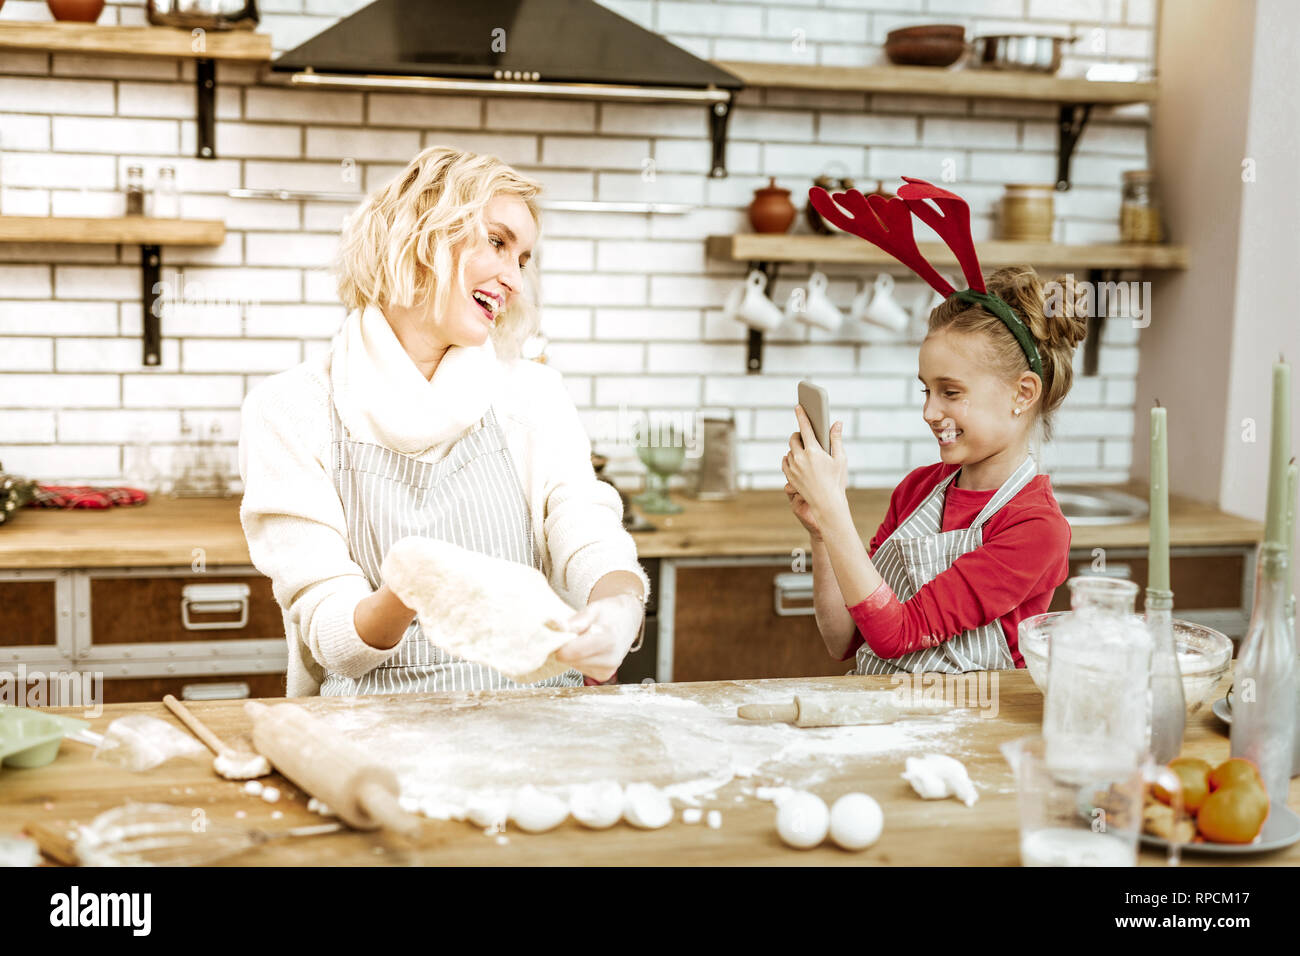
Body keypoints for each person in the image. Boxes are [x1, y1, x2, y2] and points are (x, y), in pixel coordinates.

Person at [239, 146, 648, 696]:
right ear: (420, 235)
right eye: (498, 243)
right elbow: (330, 637)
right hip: (374, 739)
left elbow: (585, 527)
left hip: (536, 725)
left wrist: (618, 602)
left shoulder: (531, 392)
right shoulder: (293, 410)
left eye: (522, 259)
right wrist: (411, 589)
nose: (515, 281)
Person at [783, 178, 1085, 674]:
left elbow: (899, 634)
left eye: (951, 391)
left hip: (967, 734)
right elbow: (844, 639)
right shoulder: (919, 490)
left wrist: (837, 511)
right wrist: (821, 533)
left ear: (1022, 394)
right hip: (886, 720)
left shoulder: (1036, 529)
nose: (929, 412)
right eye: (927, 389)